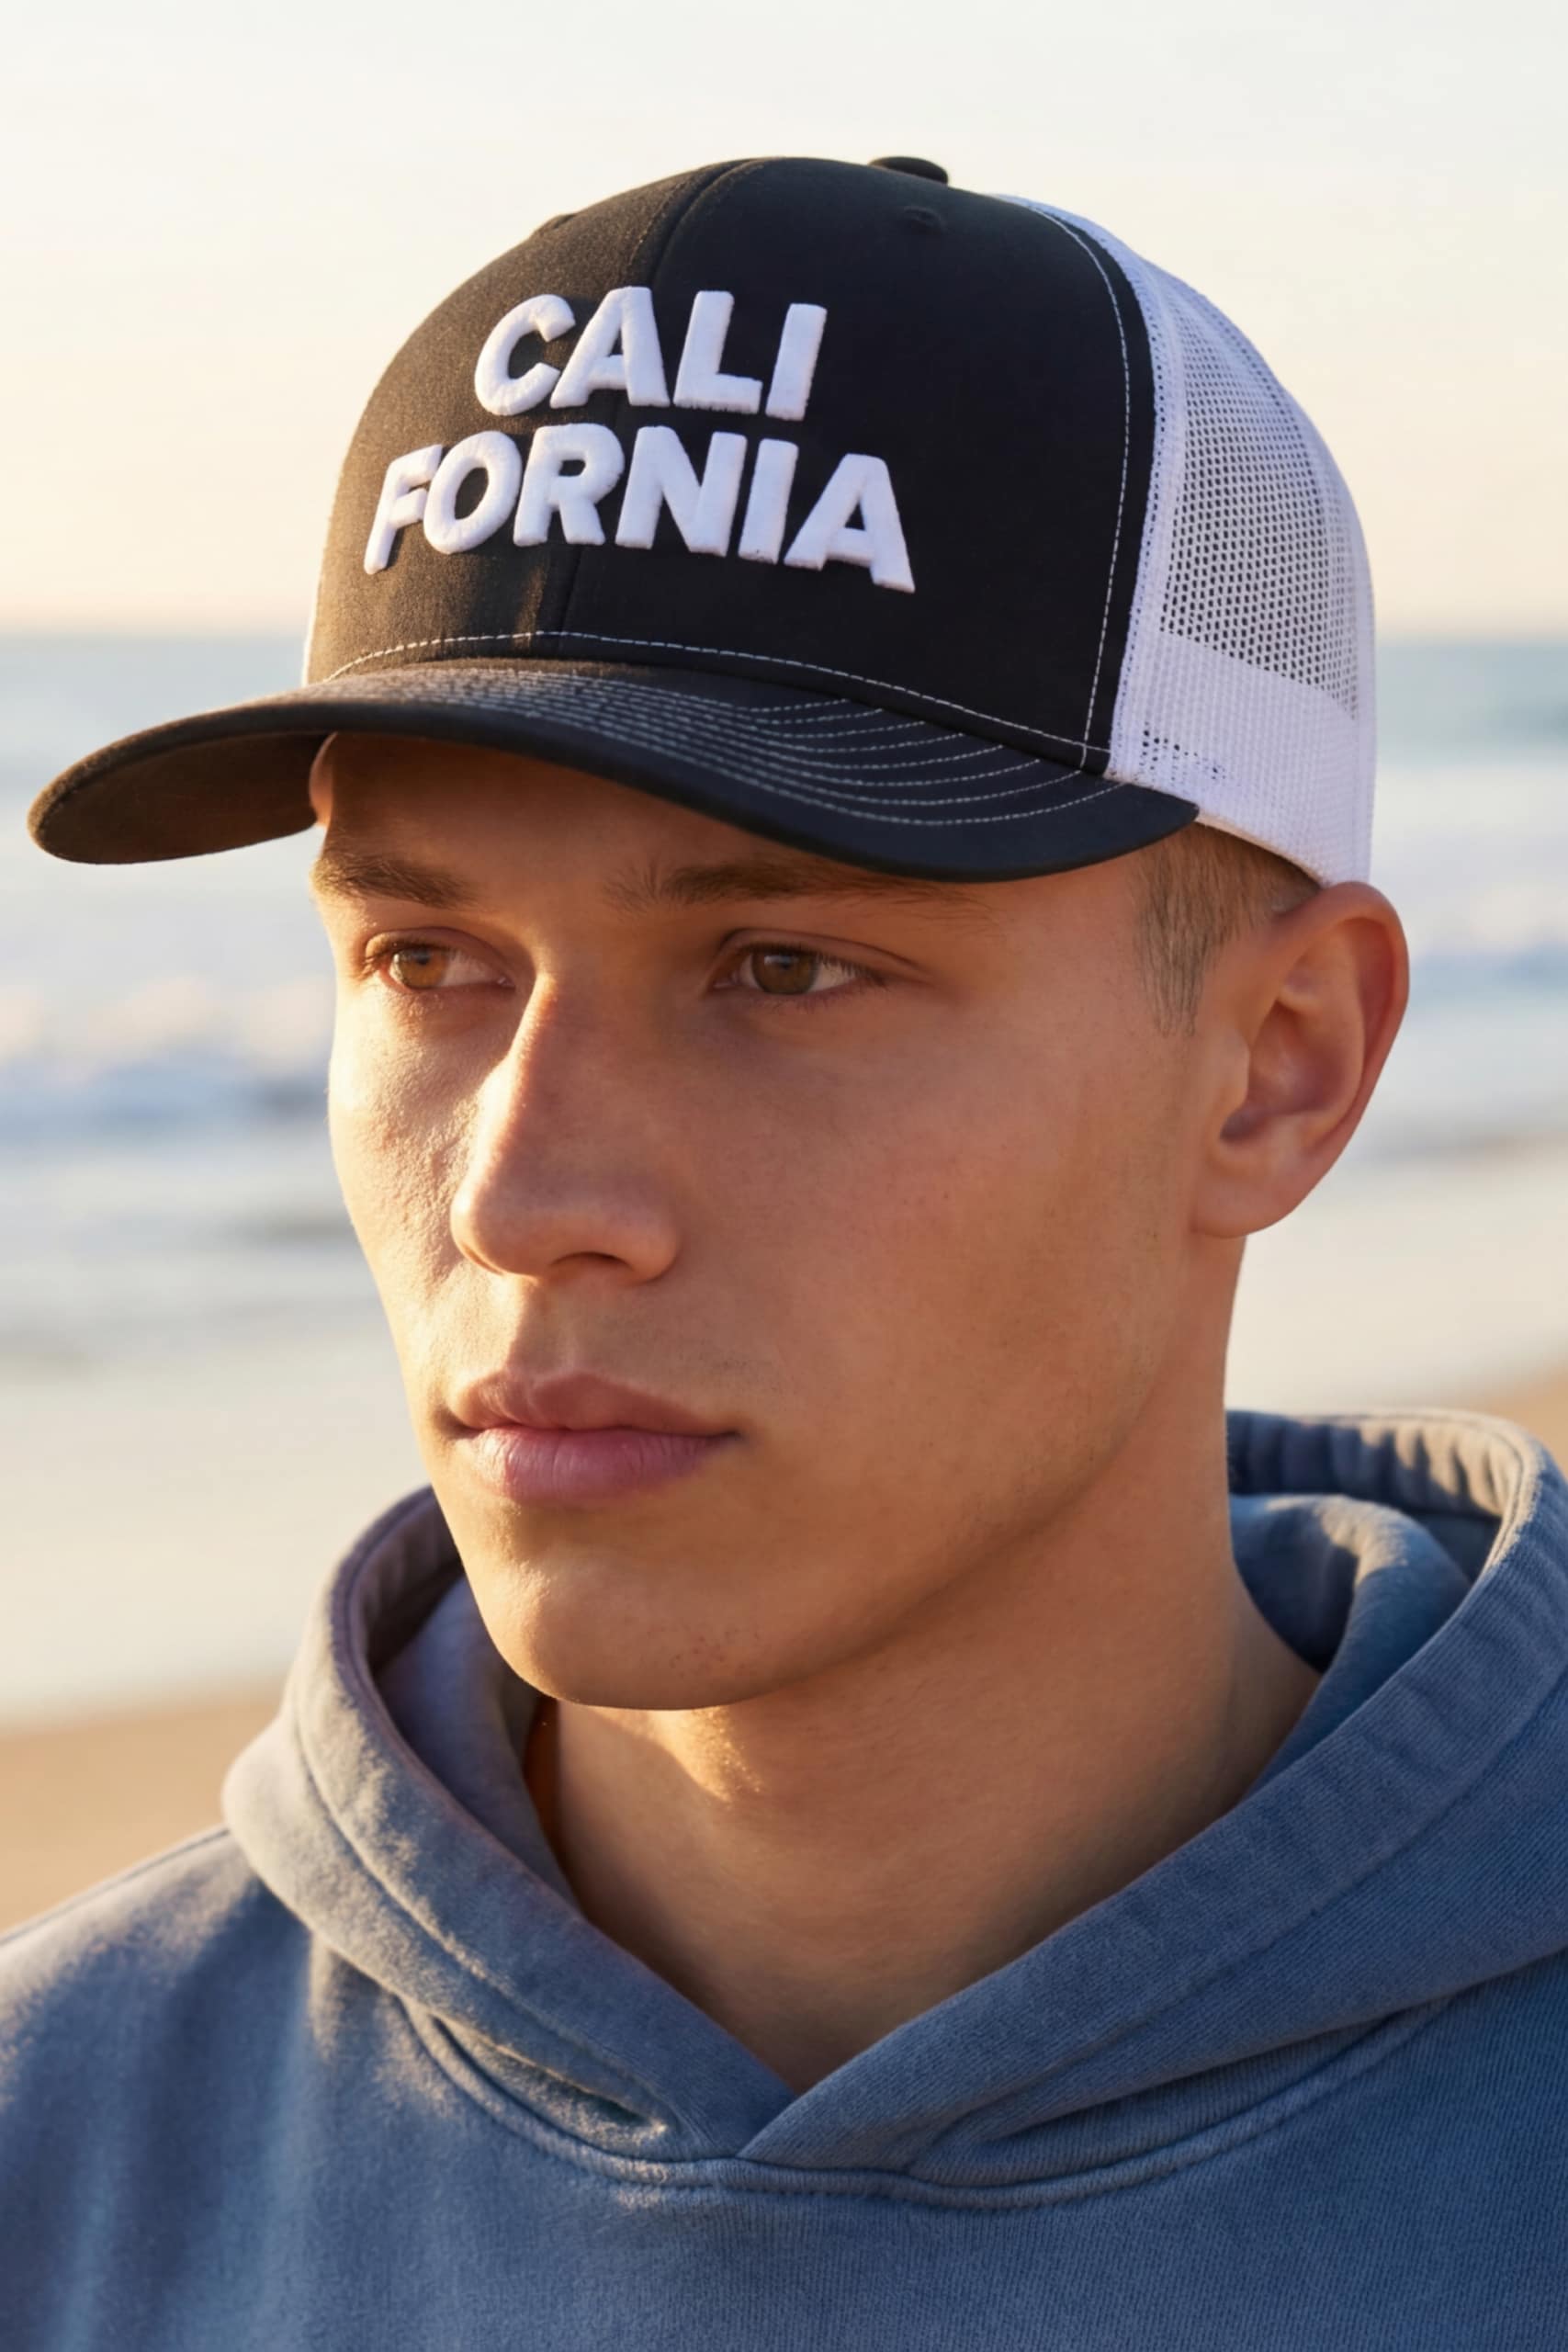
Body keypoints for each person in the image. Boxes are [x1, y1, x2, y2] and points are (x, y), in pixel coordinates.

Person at [5, 154, 1565, 2348]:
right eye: (427, 954)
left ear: (1275, 1066)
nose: (521, 1191)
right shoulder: (61, 2154)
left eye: (780, 967)